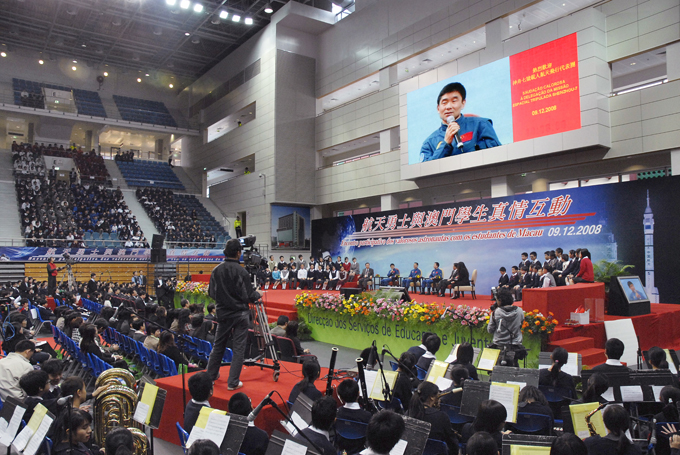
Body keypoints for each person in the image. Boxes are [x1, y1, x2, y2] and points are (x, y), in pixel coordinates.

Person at [206, 239, 263, 390]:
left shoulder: (216, 270)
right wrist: (257, 294)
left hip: (223, 313)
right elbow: (248, 296)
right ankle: (232, 383)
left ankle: (210, 377)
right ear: (238, 253)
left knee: (218, 345)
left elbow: (211, 292)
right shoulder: (242, 272)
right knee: (238, 348)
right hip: (240, 315)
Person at [420, 82, 500, 162]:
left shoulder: (481, 125)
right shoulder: (429, 142)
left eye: (454, 101)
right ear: (438, 108)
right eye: (444, 102)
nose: (448, 107)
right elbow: (426, 169)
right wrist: (446, 144)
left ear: (463, 103)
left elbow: (497, 155)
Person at [408, 381, 458, 455]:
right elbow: (452, 443)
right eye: (437, 395)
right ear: (431, 397)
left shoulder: (408, 413)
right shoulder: (441, 417)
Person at [487, 289, 525, 366]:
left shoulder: (496, 312)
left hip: (499, 346)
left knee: (497, 372)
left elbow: (490, 330)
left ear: (500, 300)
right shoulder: (520, 311)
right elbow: (520, 325)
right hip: (515, 346)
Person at [336, 379, 372, 454]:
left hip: (342, 450)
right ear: (358, 394)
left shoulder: (337, 413)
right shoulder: (367, 416)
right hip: (360, 450)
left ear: (340, 397)